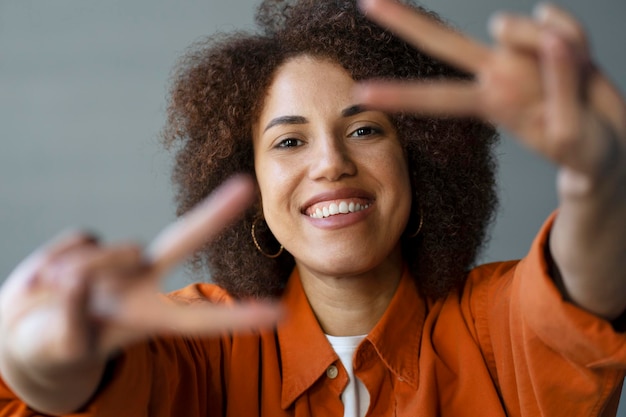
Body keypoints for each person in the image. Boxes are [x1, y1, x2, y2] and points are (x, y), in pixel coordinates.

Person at [0, 0, 624, 415]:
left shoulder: (493, 329)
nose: (329, 163)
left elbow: (581, 295)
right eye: (289, 141)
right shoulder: (200, 349)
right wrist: (41, 361)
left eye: (365, 130)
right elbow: (90, 390)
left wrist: (599, 182)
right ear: (249, 183)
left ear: (422, 160)